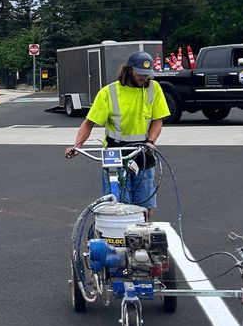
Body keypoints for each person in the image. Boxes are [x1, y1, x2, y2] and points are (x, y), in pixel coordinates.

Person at [64, 50, 169, 220]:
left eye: (148, 75)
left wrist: (151, 141)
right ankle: (119, 238)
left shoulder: (153, 88)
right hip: (115, 150)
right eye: (141, 74)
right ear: (129, 70)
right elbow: (89, 122)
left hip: (143, 150)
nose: (145, 78)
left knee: (146, 203)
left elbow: (158, 119)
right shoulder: (109, 93)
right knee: (118, 203)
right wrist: (78, 146)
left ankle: (143, 236)